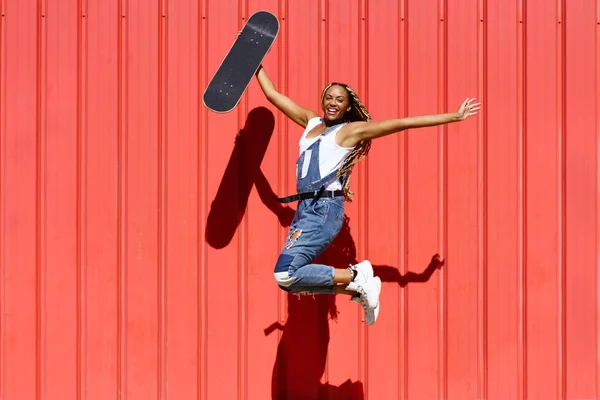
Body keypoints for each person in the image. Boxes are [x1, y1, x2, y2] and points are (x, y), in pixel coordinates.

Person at [254, 65, 480, 325]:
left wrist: (453, 117)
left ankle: (356, 275)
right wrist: (254, 61)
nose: (333, 103)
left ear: (348, 107)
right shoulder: (310, 121)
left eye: (340, 100)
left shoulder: (351, 131)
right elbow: (272, 95)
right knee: (288, 282)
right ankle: (357, 287)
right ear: (322, 100)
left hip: (325, 209)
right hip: (305, 210)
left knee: (285, 273)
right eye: (329, 97)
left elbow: (402, 123)